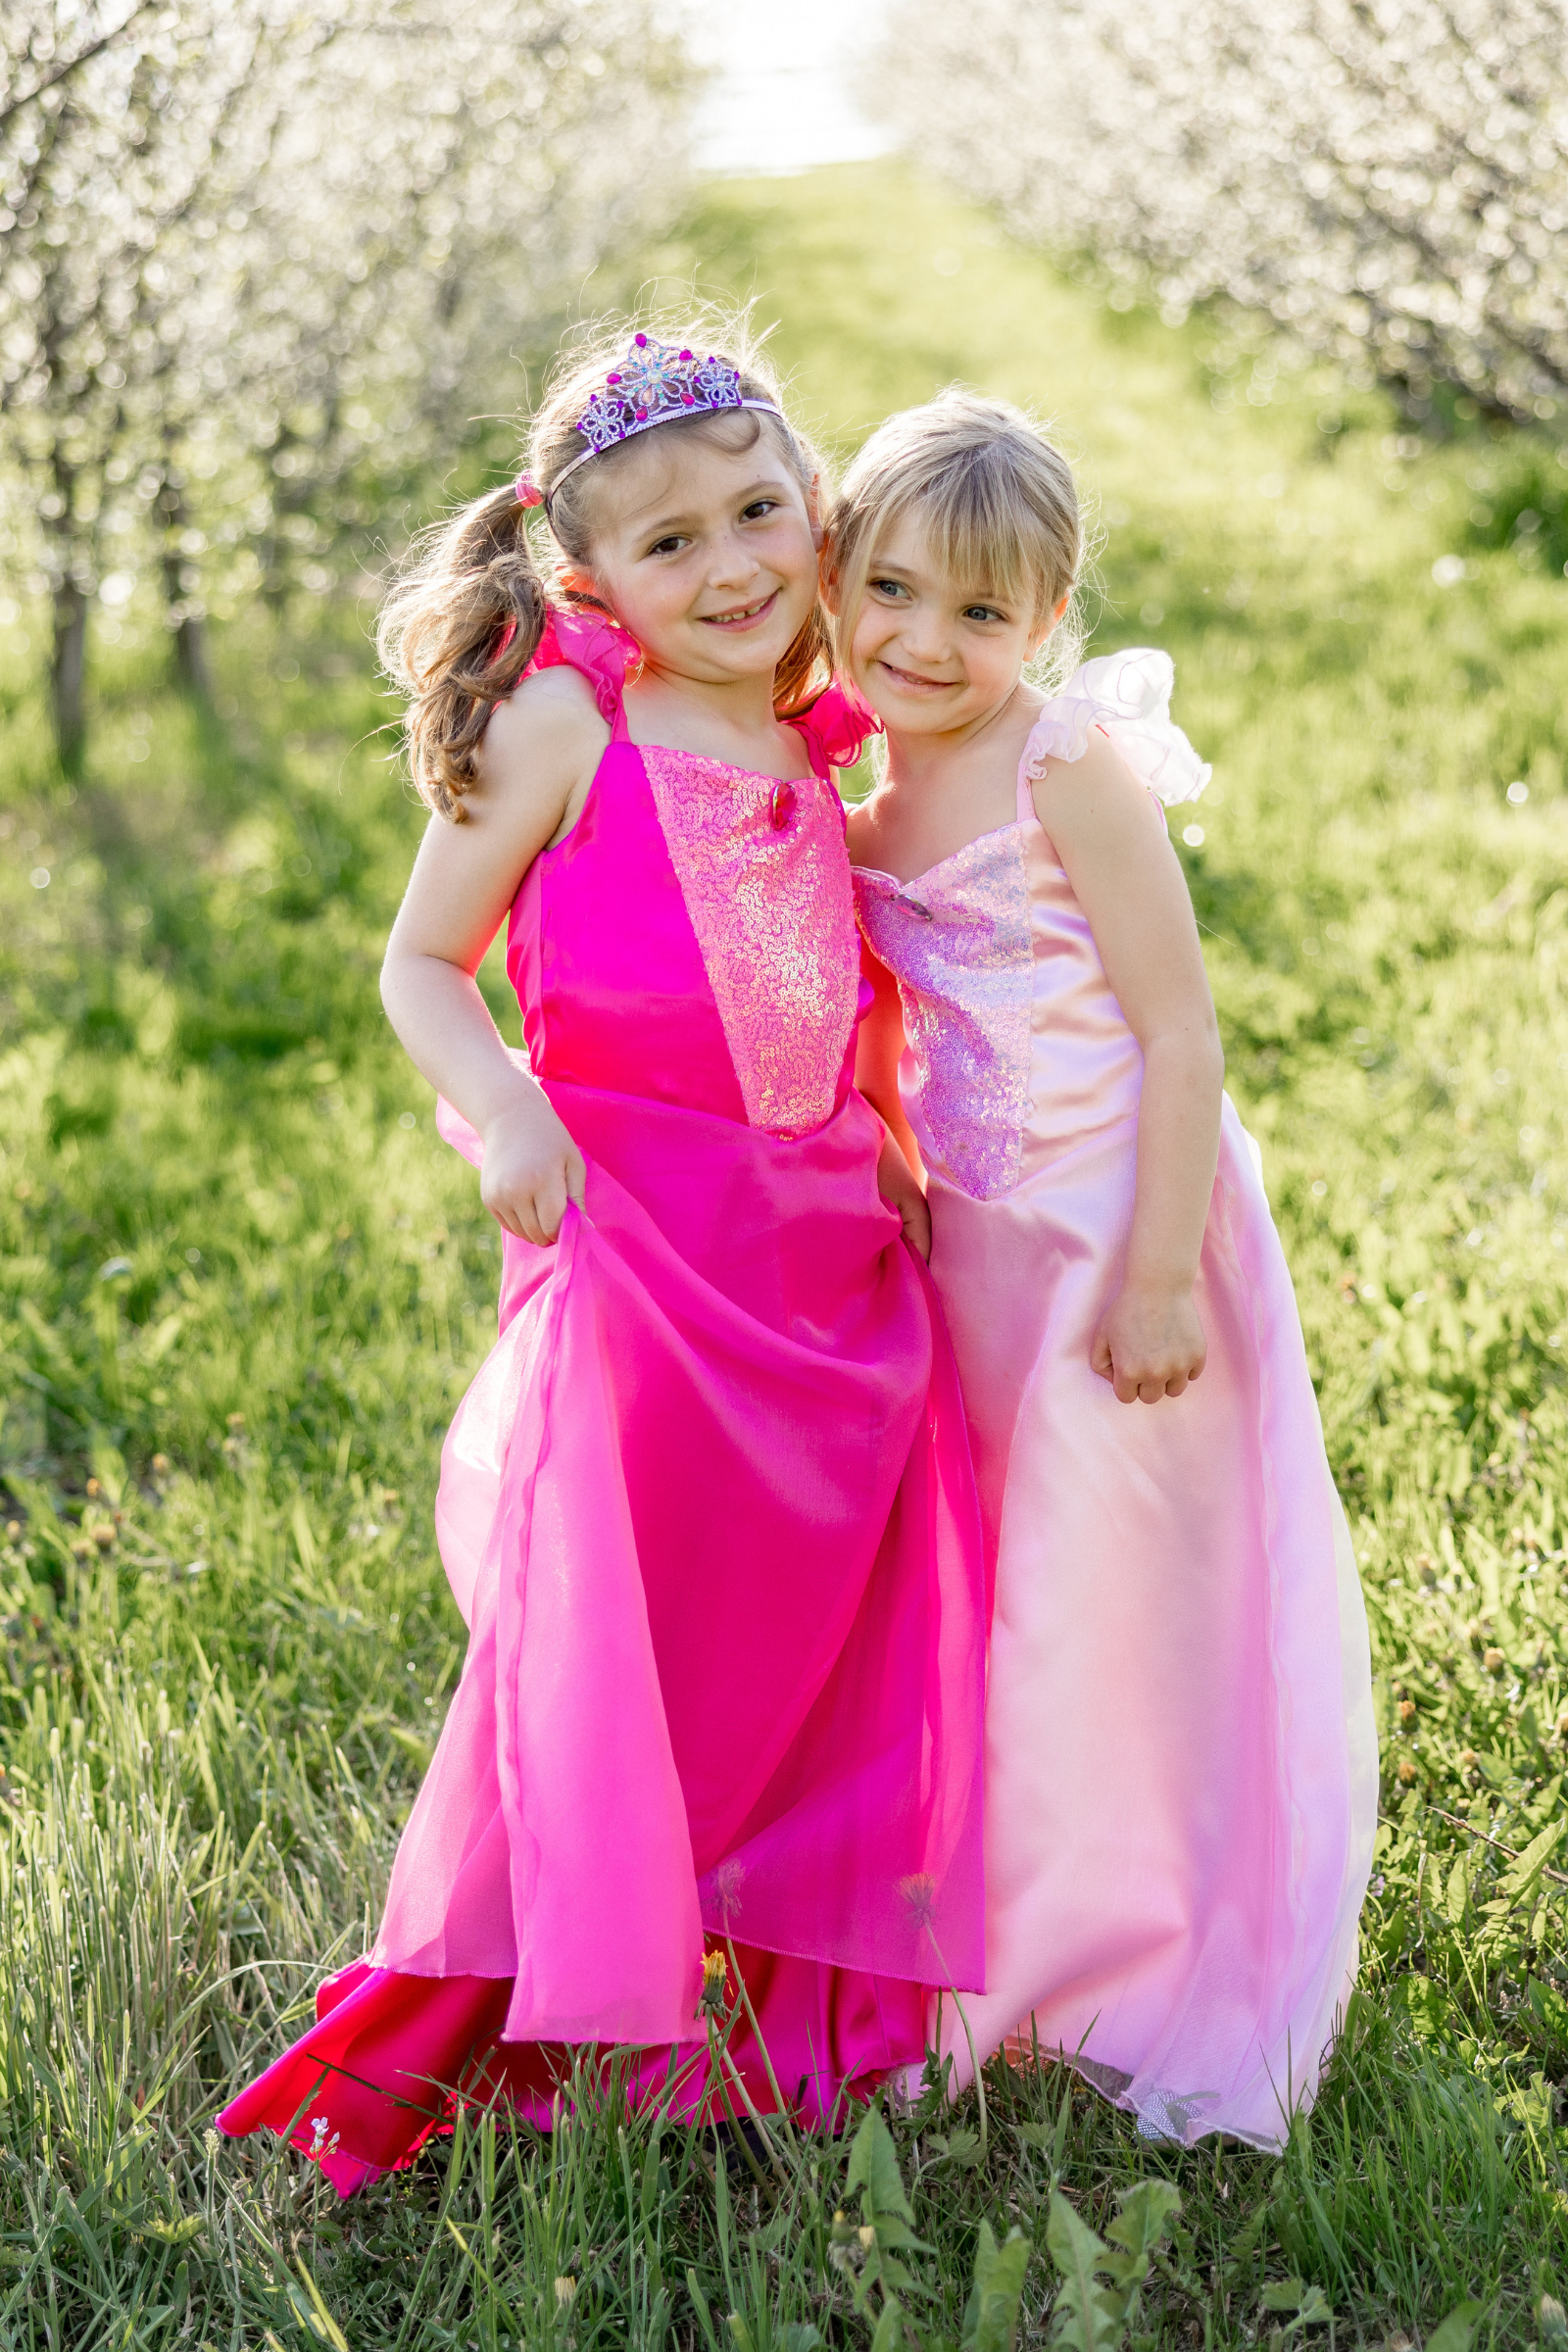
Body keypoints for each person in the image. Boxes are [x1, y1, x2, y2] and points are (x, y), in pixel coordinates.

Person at [219, 325, 988, 2194]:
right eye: (671, 547)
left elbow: (836, 968)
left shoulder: (812, 715)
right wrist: (510, 1114)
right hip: (634, 1235)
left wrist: (884, 1133)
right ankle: (543, 1992)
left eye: (760, 515)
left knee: (819, 1612)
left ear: (815, 507)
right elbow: (422, 966)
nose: (730, 570)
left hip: (813, 1247)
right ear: (586, 573)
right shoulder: (572, 715)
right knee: (621, 1623)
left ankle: (802, 1992)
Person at [833, 390, 1378, 2148]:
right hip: (989, 1247)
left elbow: (1180, 1030)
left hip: (1125, 1228)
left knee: (1132, 1587)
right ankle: (1027, 1924)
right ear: (840, 574)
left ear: (1048, 623)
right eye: (897, 590)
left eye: (983, 614)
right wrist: (903, 1180)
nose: (929, 641)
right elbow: (894, 1028)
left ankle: (1154, 1931)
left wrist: (1156, 1280)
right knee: (1018, 1592)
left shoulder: (1065, 762)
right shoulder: (859, 793)